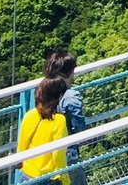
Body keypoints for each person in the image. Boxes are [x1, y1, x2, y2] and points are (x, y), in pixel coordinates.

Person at [42, 51, 87, 185]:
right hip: (68, 152)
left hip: (47, 153)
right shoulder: (70, 97)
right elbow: (79, 127)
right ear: (69, 72)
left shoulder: (43, 92)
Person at [16, 78, 70, 185]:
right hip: (49, 178)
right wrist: (65, 179)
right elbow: (58, 155)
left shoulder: (29, 115)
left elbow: (21, 146)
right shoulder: (59, 120)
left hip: (27, 175)